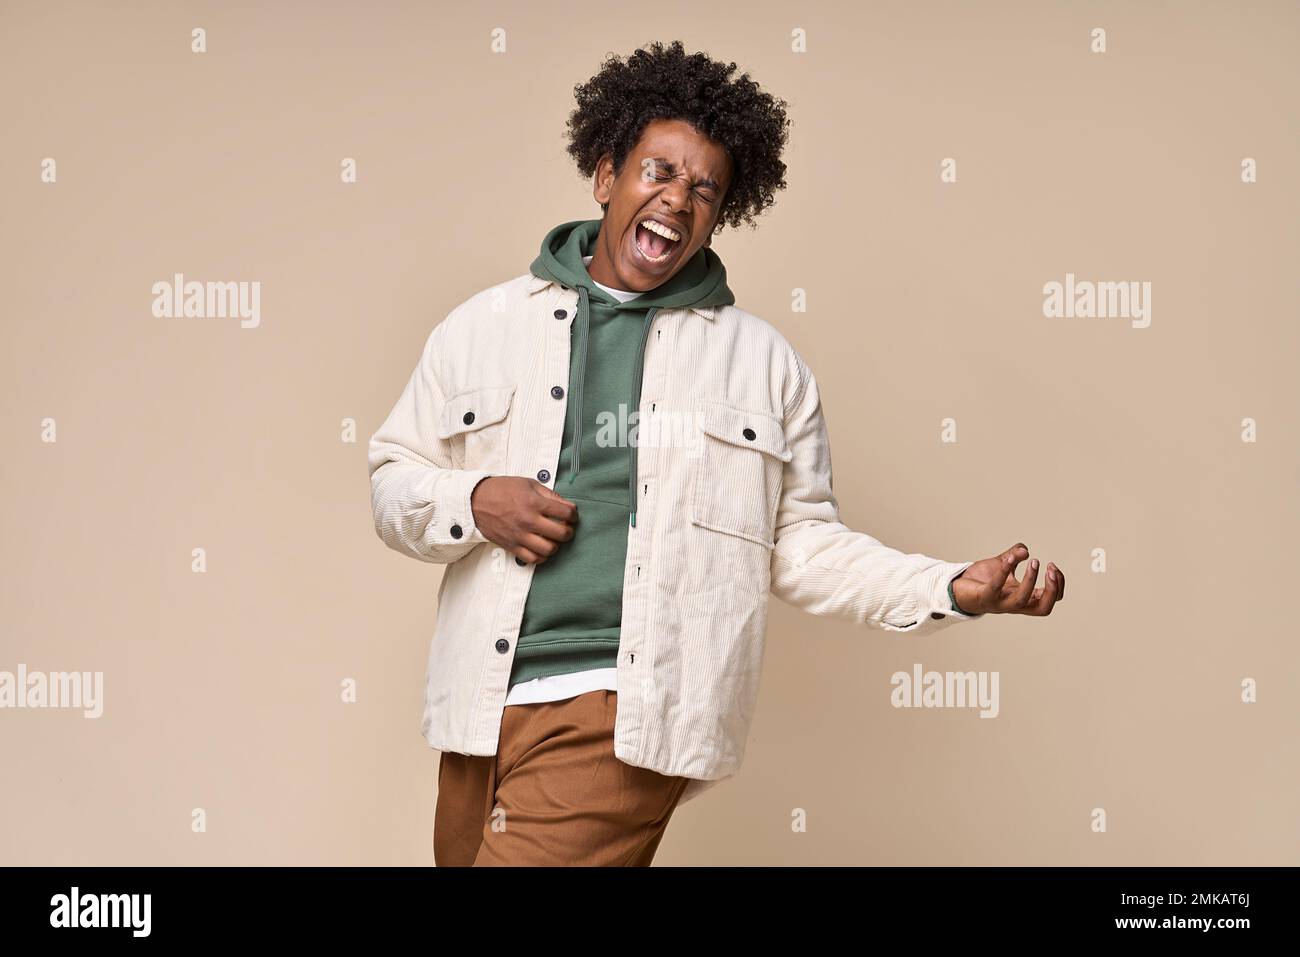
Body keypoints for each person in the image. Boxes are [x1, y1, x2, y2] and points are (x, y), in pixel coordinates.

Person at [367, 40, 1064, 867]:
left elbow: (802, 544)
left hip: (622, 707)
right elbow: (392, 480)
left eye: (705, 189)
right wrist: (475, 499)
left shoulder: (762, 366)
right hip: (477, 705)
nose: (677, 200)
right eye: (658, 172)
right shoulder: (482, 327)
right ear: (606, 176)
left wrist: (947, 587)